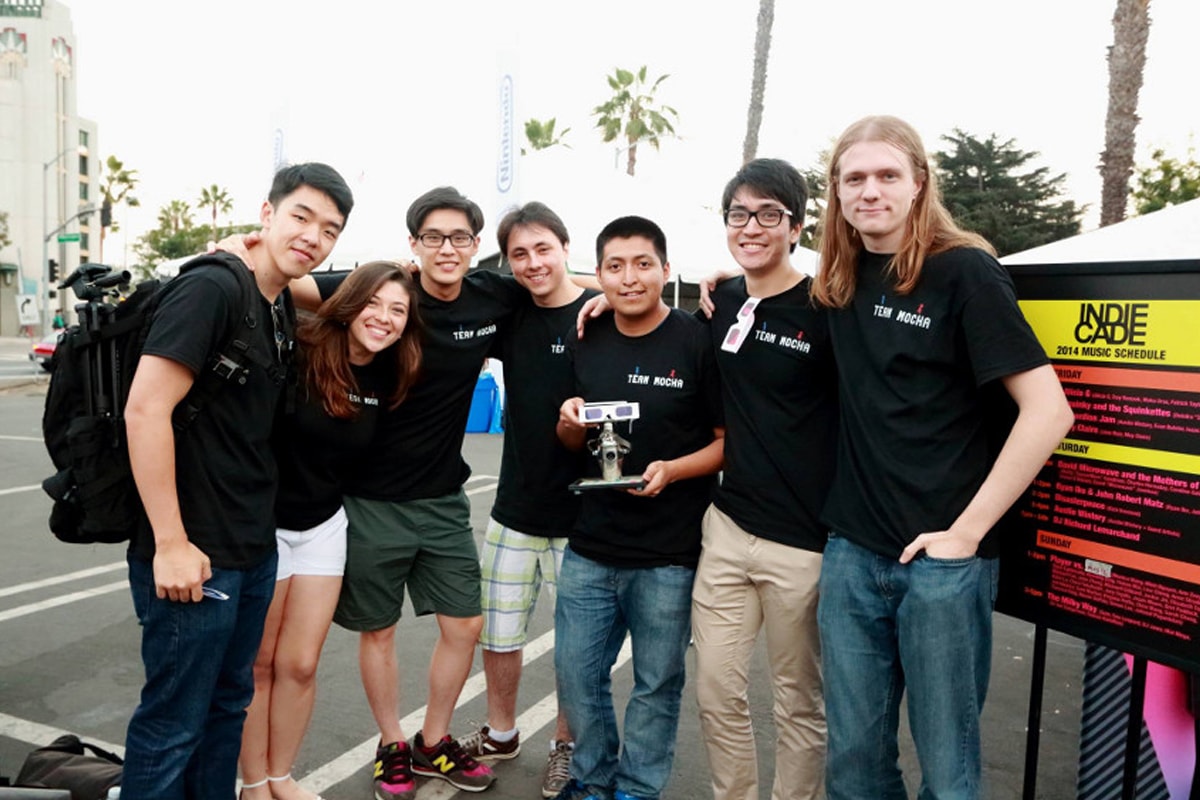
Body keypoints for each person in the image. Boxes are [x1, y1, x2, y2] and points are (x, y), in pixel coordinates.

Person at [811, 115, 1074, 799]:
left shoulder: (964, 271)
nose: (871, 191)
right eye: (854, 178)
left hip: (942, 570)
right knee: (854, 767)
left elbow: (1049, 412)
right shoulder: (839, 279)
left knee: (948, 775)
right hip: (852, 555)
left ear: (919, 183)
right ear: (836, 193)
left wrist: (967, 533)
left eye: (887, 175)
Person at [120, 162, 353, 799]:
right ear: (266, 213)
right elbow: (146, 409)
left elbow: (348, 293)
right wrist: (170, 541)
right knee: (172, 725)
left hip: (252, 551)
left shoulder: (275, 303)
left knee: (226, 710)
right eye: (300, 216)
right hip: (192, 553)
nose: (311, 236)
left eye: (328, 229)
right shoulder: (212, 290)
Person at [287, 187, 528, 798]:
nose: (447, 248)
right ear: (414, 245)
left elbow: (557, 276)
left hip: (444, 499)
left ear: (477, 246)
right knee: (380, 632)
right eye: (433, 237)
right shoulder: (384, 292)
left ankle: (433, 741)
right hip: (368, 501)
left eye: (460, 238)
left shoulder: (494, 296)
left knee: (464, 625)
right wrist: (236, 251)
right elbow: (293, 281)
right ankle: (393, 742)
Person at [552, 215, 724, 800]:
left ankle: (637, 789)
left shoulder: (696, 341)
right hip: (591, 546)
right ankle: (591, 781)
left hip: (668, 554)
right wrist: (568, 420)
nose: (629, 279)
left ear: (666, 270)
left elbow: (728, 442)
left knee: (657, 684)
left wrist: (674, 470)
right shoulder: (586, 334)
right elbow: (571, 440)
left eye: (643, 264)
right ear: (598, 275)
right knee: (577, 677)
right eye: (616, 267)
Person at [239, 262, 422, 800]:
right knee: (260, 664)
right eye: (375, 303)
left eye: (398, 310)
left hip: (323, 527)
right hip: (263, 526)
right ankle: (252, 783)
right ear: (350, 301)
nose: (384, 319)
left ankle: (281, 776)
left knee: (299, 664)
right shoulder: (301, 345)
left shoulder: (390, 374)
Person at [691, 158, 837, 800]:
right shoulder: (721, 299)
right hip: (727, 528)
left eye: (769, 214)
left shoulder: (828, 307)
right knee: (717, 689)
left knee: (797, 703)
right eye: (739, 214)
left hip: (802, 542)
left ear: (796, 226)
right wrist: (591, 306)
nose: (751, 226)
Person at [457, 202, 595, 798]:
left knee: (577, 645)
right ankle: (501, 731)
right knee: (500, 635)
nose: (533, 263)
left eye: (543, 249)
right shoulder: (510, 311)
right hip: (514, 508)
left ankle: (567, 746)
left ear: (566, 247)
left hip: (586, 516)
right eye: (520, 254)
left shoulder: (603, 312)